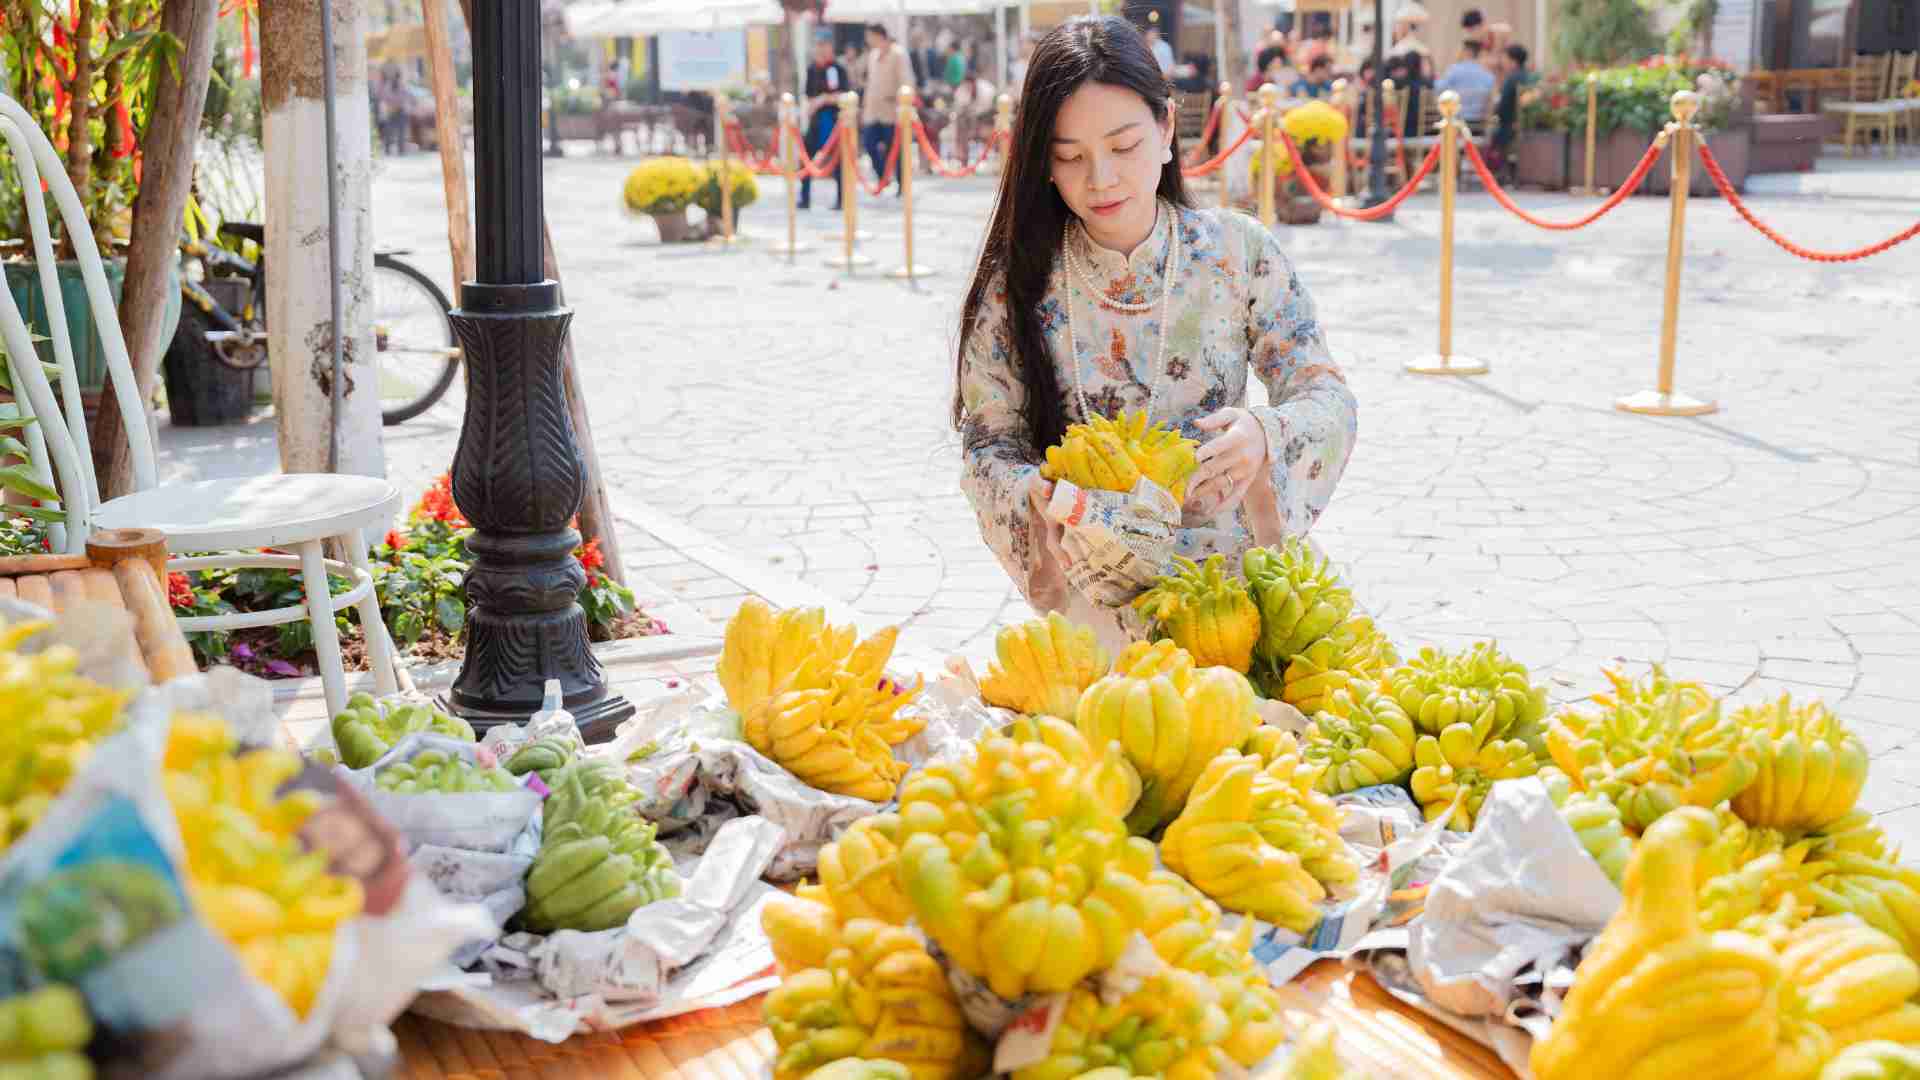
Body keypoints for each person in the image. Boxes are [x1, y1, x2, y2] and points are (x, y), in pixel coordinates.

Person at [952, 16, 1356, 650]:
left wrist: (1263, 435)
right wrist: (1041, 498)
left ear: (1166, 130)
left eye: (1123, 146)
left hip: (1240, 588)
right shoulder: (1019, 283)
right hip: (1101, 591)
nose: (1102, 178)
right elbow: (988, 443)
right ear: (1043, 165)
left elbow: (1323, 392)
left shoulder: (1238, 251)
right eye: (1070, 157)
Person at [861, 23, 912, 195]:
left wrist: (901, 104)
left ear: (879, 35)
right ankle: (884, 176)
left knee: (896, 150)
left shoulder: (898, 53)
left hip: (892, 111)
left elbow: (907, 82)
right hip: (873, 111)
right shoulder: (873, 55)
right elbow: (870, 84)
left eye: (870, 36)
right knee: (868, 142)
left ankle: (902, 186)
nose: (868, 40)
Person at [800, 35, 848, 210]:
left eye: (824, 46)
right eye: (818, 46)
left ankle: (842, 198)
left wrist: (823, 99)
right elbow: (808, 95)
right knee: (805, 157)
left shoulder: (837, 69)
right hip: (815, 121)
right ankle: (804, 198)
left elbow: (843, 95)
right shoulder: (812, 69)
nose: (821, 50)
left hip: (833, 121)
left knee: (838, 160)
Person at [1490, 43, 1533, 176]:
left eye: (1505, 59)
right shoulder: (1529, 77)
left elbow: (1503, 107)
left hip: (1509, 126)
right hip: (1528, 124)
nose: (1503, 63)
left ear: (1513, 62)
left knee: (1491, 133)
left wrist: (1494, 114)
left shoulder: (1511, 79)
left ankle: (1496, 171)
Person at [1435, 39, 1497, 125]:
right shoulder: (1488, 76)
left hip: (1455, 123)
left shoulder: (1454, 70)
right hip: (1478, 123)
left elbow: (1439, 89)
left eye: (1460, 50)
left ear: (1467, 52)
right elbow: (1492, 101)